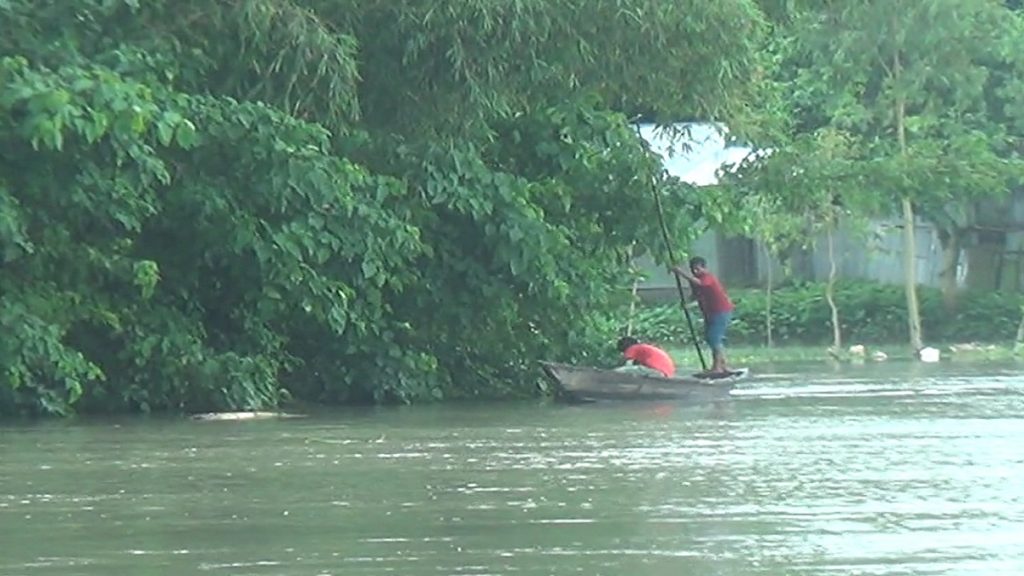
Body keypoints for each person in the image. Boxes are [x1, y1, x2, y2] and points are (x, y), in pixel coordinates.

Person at [670, 256, 734, 374]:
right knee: (710, 339)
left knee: (714, 338)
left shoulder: (708, 277)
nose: (695, 272)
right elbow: (696, 295)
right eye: (693, 269)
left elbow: (700, 283)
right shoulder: (696, 280)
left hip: (721, 311)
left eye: (698, 269)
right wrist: (687, 304)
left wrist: (680, 272)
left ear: (704, 268)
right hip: (709, 313)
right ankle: (723, 365)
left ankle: (717, 367)